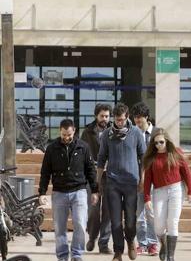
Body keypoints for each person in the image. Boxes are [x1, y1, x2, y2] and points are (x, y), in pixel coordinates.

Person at [39, 119, 99, 261]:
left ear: (74, 131)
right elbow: (45, 172)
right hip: (59, 192)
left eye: (69, 135)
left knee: (80, 224)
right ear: (60, 131)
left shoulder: (83, 147)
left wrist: (95, 190)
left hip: (79, 192)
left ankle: (77, 255)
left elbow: (91, 170)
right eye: (64, 134)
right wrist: (42, 192)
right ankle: (62, 256)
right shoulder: (52, 148)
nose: (66, 138)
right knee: (59, 228)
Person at [98, 103, 146, 261]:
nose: (120, 123)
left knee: (131, 220)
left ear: (127, 118)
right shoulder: (106, 135)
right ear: (113, 119)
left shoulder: (137, 133)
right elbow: (101, 158)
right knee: (116, 220)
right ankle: (118, 251)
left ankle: (131, 241)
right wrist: (98, 181)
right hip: (113, 182)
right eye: (117, 120)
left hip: (131, 182)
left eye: (122, 120)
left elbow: (143, 158)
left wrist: (142, 180)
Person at [143, 128, 191, 261]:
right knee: (159, 226)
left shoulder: (176, 152)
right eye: (155, 143)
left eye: (161, 142)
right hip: (159, 192)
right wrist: (147, 198)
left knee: (173, 222)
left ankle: (170, 256)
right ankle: (164, 243)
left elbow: (187, 173)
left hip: (176, 190)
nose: (158, 145)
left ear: (166, 141)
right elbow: (148, 179)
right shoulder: (151, 158)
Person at [81, 103, 113, 254]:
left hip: (111, 176)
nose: (105, 119)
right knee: (93, 209)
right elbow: (82, 153)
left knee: (108, 210)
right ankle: (92, 236)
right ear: (96, 116)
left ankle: (104, 243)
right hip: (93, 176)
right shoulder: (87, 132)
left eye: (107, 116)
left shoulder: (115, 131)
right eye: (102, 116)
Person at [130, 102, 158, 256]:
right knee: (138, 214)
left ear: (147, 118)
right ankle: (142, 243)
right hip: (137, 179)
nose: (137, 123)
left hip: (155, 181)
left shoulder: (158, 133)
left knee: (151, 213)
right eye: (135, 120)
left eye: (140, 120)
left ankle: (153, 243)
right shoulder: (133, 133)